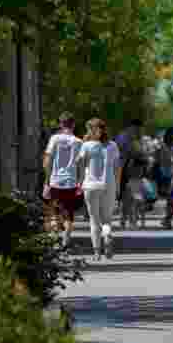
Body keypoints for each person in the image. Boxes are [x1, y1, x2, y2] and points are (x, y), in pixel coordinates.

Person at [77, 118, 122, 261]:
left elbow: (80, 164)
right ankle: (107, 235)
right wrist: (118, 186)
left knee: (94, 220)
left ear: (91, 130)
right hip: (109, 184)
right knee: (107, 219)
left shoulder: (87, 146)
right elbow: (117, 168)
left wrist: (79, 182)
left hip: (90, 186)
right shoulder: (113, 146)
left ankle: (96, 252)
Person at [43, 112, 83, 245]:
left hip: (55, 181)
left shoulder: (54, 139)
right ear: (73, 125)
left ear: (60, 124)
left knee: (54, 213)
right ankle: (65, 242)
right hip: (71, 183)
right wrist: (80, 183)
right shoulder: (78, 142)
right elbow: (80, 166)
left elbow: (47, 161)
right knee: (69, 215)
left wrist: (47, 181)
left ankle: (54, 241)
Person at [115, 119, 143, 228]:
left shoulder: (129, 138)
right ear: (132, 127)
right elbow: (134, 153)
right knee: (128, 197)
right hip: (126, 170)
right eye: (137, 129)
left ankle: (126, 220)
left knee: (128, 197)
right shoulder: (125, 138)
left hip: (129, 170)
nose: (138, 131)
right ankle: (128, 220)